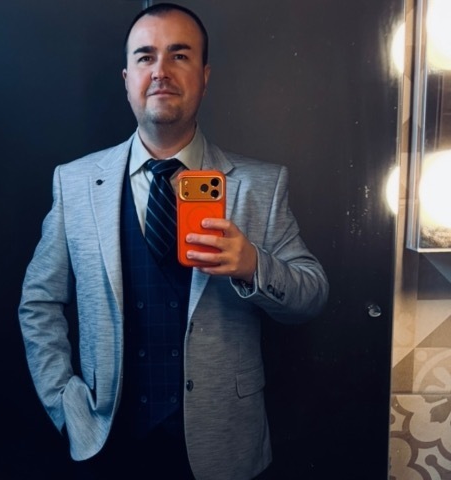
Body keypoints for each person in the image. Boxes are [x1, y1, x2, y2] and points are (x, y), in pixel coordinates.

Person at [18, 3, 329, 480]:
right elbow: (39, 301)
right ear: (127, 79)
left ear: (205, 76)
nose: (160, 70)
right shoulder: (74, 183)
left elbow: (312, 295)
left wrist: (253, 265)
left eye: (179, 55)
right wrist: (66, 404)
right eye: (146, 57)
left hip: (224, 444)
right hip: (109, 444)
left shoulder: (260, 186)